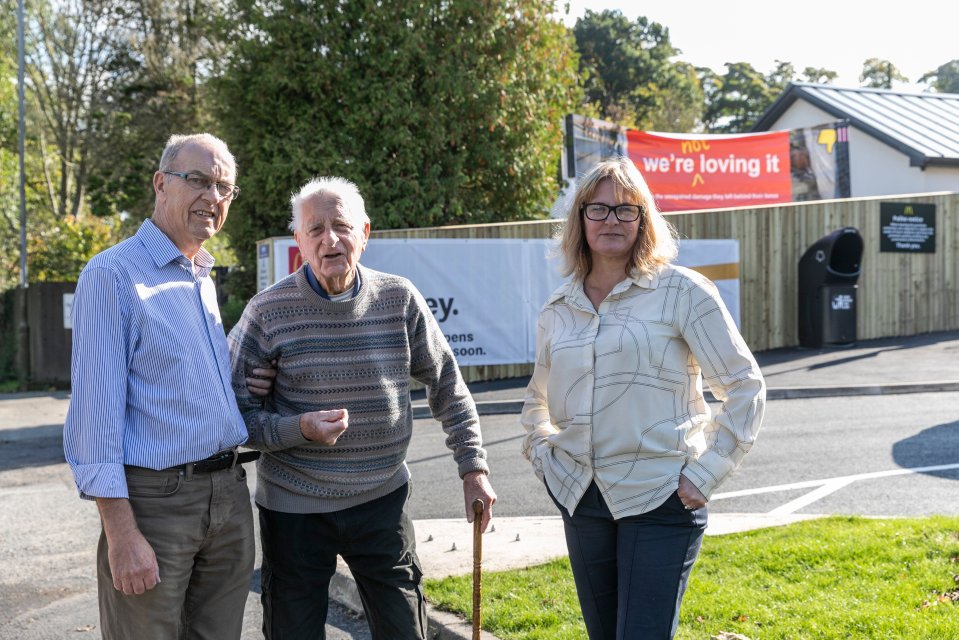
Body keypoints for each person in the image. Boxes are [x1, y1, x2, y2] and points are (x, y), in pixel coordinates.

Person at [228, 176, 497, 640]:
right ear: (299, 242)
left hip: (381, 500)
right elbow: (235, 420)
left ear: (365, 233)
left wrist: (473, 468)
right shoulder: (267, 312)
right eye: (315, 229)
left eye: (342, 226)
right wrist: (299, 429)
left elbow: (448, 385)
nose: (330, 240)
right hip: (294, 508)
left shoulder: (398, 298)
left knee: (404, 631)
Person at [521, 157, 766, 640]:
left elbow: (744, 384)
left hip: (661, 495)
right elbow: (536, 401)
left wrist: (706, 473)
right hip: (582, 498)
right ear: (580, 220)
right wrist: (544, 457)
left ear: (643, 219)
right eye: (598, 209)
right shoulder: (558, 308)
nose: (611, 220)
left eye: (625, 209)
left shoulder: (683, 292)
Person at [62, 133, 260, 640]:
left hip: (228, 497)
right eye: (198, 180)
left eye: (224, 188)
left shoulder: (201, 276)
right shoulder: (113, 275)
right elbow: (94, 419)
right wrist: (121, 533)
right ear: (160, 184)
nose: (212, 198)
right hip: (156, 506)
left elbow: (180, 387)